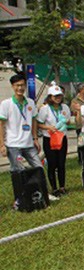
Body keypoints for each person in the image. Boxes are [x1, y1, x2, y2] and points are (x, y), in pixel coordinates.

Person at [0, 74, 59, 202]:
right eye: (17, 85)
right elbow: (1, 125)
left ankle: (44, 193)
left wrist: (35, 139)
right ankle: (22, 197)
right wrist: (2, 145)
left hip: (28, 144)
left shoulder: (30, 103)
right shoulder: (6, 104)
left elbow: (34, 122)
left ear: (25, 86)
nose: (20, 88)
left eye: (22, 85)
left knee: (39, 168)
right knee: (18, 171)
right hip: (13, 145)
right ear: (12, 86)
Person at [37, 85, 70, 196]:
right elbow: (39, 123)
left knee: (61, 163)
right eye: (55, 96)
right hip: (49, 139)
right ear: (50, 97)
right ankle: (54, 188)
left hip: (62, 138)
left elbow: (68, 121)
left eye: (59, 95)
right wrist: (48, 128)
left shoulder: (65, 107)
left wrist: (65, 123)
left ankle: (62, 187)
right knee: (52, 163)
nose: (58, 98)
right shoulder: (44, 109)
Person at [70, 82, 84, 164]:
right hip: (80, 124)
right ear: (81, 90)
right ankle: (81, 159)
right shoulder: (75, 101)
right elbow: (73, 112)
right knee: (81, 142)